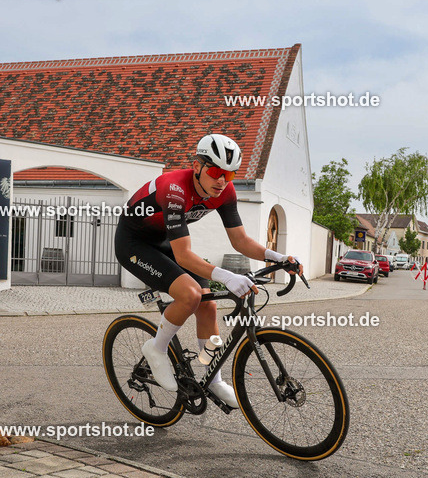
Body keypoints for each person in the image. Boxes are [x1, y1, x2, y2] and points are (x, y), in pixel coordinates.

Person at [115, 134, 302, 406]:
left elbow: (240, 240)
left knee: (208, 304)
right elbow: (183, 255)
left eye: (230, 174)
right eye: (215, 172)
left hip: (164, 241)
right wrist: (226, 276)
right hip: (133, 243)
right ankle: (156, 348)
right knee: (190, 295)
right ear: (197, 166)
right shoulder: (174, 189)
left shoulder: (225, 192)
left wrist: (279, 257)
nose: (222, 181)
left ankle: (214, 381)